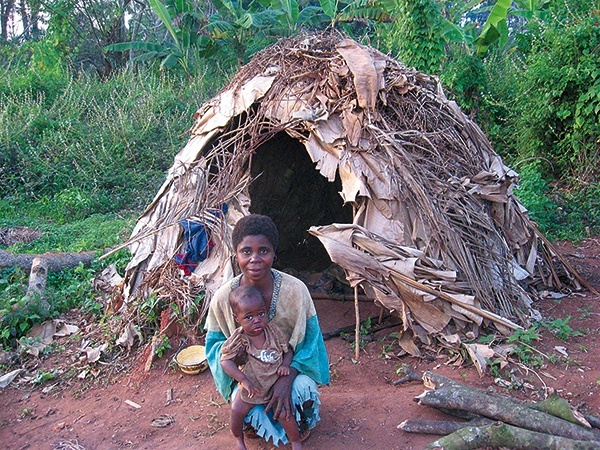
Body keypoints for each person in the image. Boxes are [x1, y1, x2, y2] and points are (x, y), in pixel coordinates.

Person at [205, 214, 330, 447]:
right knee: (238, 399)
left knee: (303, 388)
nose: (255, 259)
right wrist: (240, 366)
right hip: (250, 380)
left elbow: (310, 343)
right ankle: (253, 422)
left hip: (286, 372)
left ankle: (295, 420)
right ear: (236, 255)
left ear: (274, 254)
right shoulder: (223, 298)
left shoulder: (296, 291)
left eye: (263, 251)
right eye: (246, 252)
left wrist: (286, 379)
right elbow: (213, 348)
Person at [221, 285, 302, 450]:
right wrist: (243, 379)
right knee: (236, 410)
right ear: (237, 318)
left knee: (285, 414)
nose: (256, 320)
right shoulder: (239, 339)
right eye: (249, 317)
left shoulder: (273, 332)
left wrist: (286, 365)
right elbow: (225, 361)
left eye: (261, 314)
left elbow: (288, 350)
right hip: (253, 387)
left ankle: (296, 443)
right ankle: (239, 440)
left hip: (274, 386)